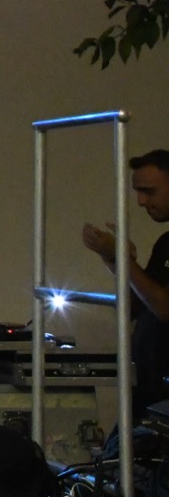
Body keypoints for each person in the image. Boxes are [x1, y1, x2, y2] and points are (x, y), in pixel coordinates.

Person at [82, 149, 169, 410]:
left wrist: (122, 258)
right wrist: (114, 260)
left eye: (149, 191)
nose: (141, 201)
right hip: (150, 391)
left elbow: (165, 308)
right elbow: (138, 307)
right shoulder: (165, 243)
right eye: (138, 192)